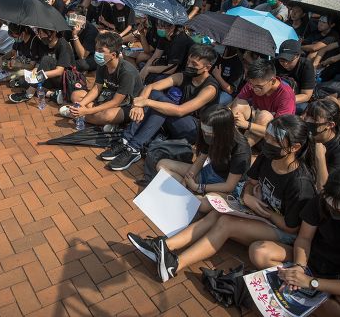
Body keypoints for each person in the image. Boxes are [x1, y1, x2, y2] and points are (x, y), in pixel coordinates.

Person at [129, 115, 316, 282]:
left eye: (273, 140)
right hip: (257, 210)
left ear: (294, 147)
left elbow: (291, 227)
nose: (266, 142)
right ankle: (163, 245)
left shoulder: (300, 184)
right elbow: (250, 183)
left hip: (280, 228)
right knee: (216, 213)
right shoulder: (268, 157)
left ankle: (174, 265)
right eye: (266, 136)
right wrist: (249, 197)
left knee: (226, 222)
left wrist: (262, 210)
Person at [250, 167, 340, 317]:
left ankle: (308, 294)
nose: (332, 209)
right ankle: (307, 292)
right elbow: (304, 238)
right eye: (330, 203)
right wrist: (299, 266)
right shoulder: (324, 200)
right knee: (259, 252)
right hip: (311, 259)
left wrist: (311, 283)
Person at [100, 44, 219, 171]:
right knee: (156, 95)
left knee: (159, 101)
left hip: (192, 129)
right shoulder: (183, 76)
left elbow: (181, 111)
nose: (189, 65)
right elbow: (150, 87)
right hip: (172, 119)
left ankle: (134, 147)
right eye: (189, 61)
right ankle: (125, 141)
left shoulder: (210, 88)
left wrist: (146, 102)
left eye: (194, 64)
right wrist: (138, 105)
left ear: (207, 68)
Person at [156, 105, 251, 205]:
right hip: (208, 173)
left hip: (225, 186)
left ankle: (195, 193)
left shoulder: (241, 149)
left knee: (203, 203)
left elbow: (229, 186)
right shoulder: (209, 135)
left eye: (209, 133)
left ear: (222, 131)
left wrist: (199, 187)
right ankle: (189, 191)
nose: (205, 134)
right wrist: (188, 179)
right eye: (203, 131)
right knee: (162, 165)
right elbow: (200, 161)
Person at [60, 32, 143, 127]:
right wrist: (80, 105)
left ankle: (77, 116)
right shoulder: (103, 64)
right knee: (76, 95)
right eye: (96, 50)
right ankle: (98, 120)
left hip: (128, 104)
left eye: (101, 50)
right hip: (108, 96)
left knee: (107, 115)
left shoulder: (127, 72)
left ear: (113, 55)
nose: (97, 53)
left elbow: (116, 102)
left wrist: (87, 111)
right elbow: (96, 88)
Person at [231, 59, 296, 147]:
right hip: (255, 120)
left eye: (259, 87)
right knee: (239, 104)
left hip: (271, 134)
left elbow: (279, 133)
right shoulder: (254, 83)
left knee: (264, 116)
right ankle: (227, 141)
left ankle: (239, 150)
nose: (254, 89)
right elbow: (237, 101)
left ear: (272, 81)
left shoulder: (286, 95)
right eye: (251, 84)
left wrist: (247, 125)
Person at [8, 28, 75, 104]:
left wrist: (39, 76)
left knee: (46, 60)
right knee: (24, 81)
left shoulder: (63, 45)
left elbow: (59, 71)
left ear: (53, 33)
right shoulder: (45, 44)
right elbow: (40, 63)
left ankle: (28, 94)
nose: (40, 36)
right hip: (50, 77)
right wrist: (35, 71)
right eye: (39, 33)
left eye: (42, 33)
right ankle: (52, 94)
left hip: (64, 79)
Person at [303, 99, 340, 190]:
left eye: (313, 119)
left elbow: (323, 188)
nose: (308, 121)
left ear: (329, 125)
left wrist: (320, 157)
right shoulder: (305, 134)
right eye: (307, 116)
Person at [274, 39, 316, 114]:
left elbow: (306, 95)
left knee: (304, 109)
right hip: (274, 96)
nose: (285, 64)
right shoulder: (274, 63)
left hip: (296, 98)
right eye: (282, 60)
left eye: (289, 60)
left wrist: (284, 100)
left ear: (298, 56)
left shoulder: (306, 66)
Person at [65, 6, 98, 73]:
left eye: (71, 18)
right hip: (75, 56)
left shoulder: (91, 30)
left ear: (80, 19)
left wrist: (75, 35)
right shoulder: (69, 28)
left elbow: (83, 56)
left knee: (82, 64)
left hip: (91, 57)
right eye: (67, 17)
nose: (68, 20)